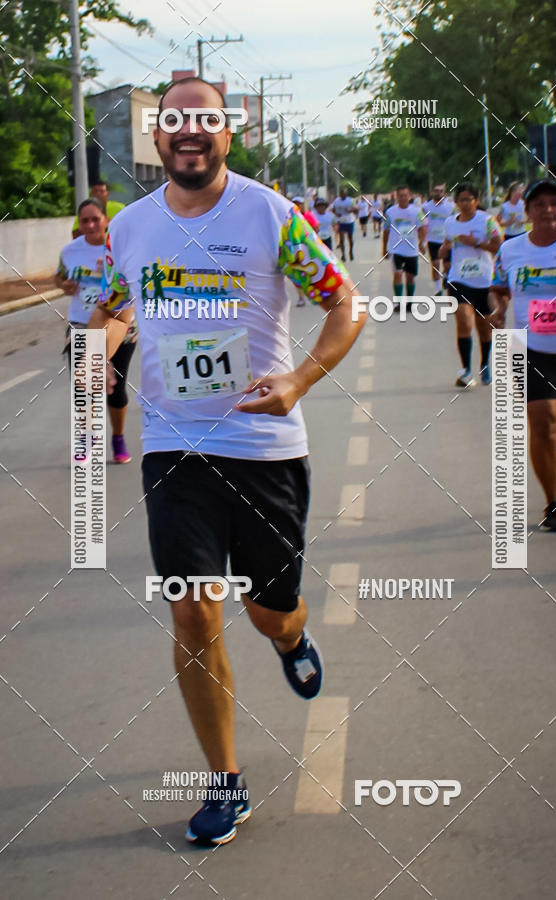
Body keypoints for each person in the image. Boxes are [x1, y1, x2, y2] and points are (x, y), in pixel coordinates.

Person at [90, 76, 364, 845]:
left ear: (227, 134)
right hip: (176, 449)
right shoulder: (130, 227)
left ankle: (289, 636)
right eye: (174, 120)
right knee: (192, 604)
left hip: (265, 447)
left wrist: (301, 378)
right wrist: (101, 363)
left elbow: (345, 302)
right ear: (158, 137)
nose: (188, 133)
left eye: (204, 121)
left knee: (268, 610)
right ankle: (226, 782)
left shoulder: (273, 215)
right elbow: (110, 308)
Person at [490, 178, 556, 532]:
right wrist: (496, 308)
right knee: (542, 424)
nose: (549, 210)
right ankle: (553, 502)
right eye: (540, 205)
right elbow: (498, 288)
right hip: (530, 349)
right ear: (527, 212)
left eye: (555, 203)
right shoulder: (510, 250)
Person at [56, 197, 136, 463]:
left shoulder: (119, 249)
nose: (90, 225)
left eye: (95, 219)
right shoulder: (69, 251)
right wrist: (64, 285)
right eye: (84, 220)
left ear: (106, 220)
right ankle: (87, 439)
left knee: (117, 389)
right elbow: (59, 277)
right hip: (81, 321)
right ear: (79, 224)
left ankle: (118, 436)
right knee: (84, 385)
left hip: (120, 322)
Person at [440, 182, 503, 387]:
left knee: (484, 327)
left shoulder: (487, 221)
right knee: (464, 320)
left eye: (469, 199)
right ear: (456, 202)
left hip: (484, 280)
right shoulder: (450, 222)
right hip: (458, 278)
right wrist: (444, 253)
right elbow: (446, 246)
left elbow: (498, 246)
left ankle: (485, 365)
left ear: (476, 201)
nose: (465, 203)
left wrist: (476, 243)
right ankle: (466, 369)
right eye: (461, 200)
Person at [382, 184, 427, 311]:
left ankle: (410, 303)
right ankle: (399, 303)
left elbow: (422, 227)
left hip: (411, 250)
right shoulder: (390, 212)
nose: (403, 198)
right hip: (396, 249)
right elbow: (385, 230)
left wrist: (422, 243)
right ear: (396, 196)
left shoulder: (417, 211)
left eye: (405, 195)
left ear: (410, 196)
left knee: (410, 277)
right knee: (397, 275)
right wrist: (384, 249)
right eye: (400, 196)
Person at [422, 184, 455, 295]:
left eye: (441, 191)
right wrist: (422, 240)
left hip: (447, 240)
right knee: (435, 264)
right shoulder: (426, 207)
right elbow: (422, 223)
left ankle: (445, 276)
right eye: (436, 191)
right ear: (432, 192)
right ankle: (438, 289)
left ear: (445, 193)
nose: (438, 193)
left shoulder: (451, 207)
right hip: (432, 240)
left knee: (448, 265)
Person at [291, 196, 320, 306]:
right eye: (295, 203)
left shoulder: (308, 215)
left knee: (311, 273)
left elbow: (316, 227)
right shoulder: (290, 217)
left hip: (308, 248)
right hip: (295, 250)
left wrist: (310, 238)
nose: (297, 205)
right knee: (297, 273)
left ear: (303, 205)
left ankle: (314, 294)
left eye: (299, 203)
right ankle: (301, 297)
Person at [331, 187, 357, 261]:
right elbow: (333, 209)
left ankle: (350, 252)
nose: (343, 195)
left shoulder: (350, 200)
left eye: (344, 194)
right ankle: (343, 254)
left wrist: (350, 210)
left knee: (350, 238)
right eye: (341, 194)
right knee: (342, 239)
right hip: (341, 221)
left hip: (349, 221)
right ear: (340, 194)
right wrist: (336, 214)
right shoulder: (336, 201)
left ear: (346, 194)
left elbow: (356, 208)